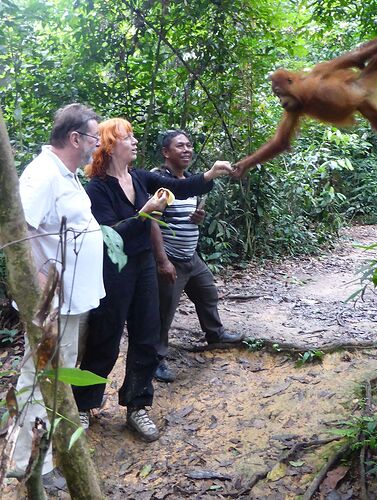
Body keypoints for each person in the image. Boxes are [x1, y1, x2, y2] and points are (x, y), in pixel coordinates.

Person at [72, 118, 232, 442]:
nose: (133, 142)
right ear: (110, 146)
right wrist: (143, 214)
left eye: (132, 136)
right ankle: (83, 404)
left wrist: (211, 175)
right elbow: (107, 235)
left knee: (146, 335)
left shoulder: (141, 178)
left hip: (144, 264)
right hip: (114, 270)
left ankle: (137, 405)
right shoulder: (98, 188)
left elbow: (183, 187)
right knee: (106, 337)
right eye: (126, 137)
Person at [12, 104, 105, 487]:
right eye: (94, 138)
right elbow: (21, 233)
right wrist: (39, 294)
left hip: (68, 301)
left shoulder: (64, 173)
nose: (96, 146)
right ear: (75, 139)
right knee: (41, 377)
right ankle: (32, 463)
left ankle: (43, 453)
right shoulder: (42, 175)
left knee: (52, 375)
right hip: (51, 302)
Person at [151, 130, 244, 383]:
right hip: (171, 258)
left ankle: (215, 333)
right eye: (179, 146)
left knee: (207, 293)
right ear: (166, 152)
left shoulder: (191, 180)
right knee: (164, 311)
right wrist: (162, 261)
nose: (187, 149)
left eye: (189, 145)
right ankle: (154, 359)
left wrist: (197, 218)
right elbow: (152, 223)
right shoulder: (159, 180)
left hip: (190, 256)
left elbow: (186, 214)